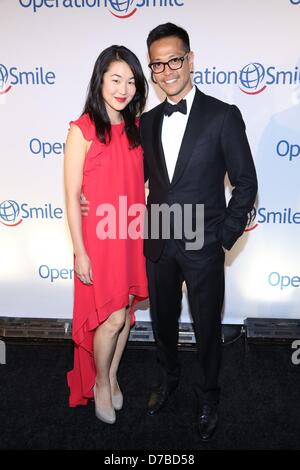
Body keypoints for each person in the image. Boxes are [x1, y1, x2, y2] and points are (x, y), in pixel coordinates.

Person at [140, 23, 258, 441]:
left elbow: (246, 184)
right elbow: (140, 180)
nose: (167, 70)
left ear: (190, 60)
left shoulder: (222, 115)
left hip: (203, 243)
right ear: (151, 70)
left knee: (208, 324)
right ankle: (168, 377)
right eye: (158, 64)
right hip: (158, 241)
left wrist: (222, 238)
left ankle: (210, 394)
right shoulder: (147, 121)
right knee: (162, 320)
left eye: (175, 59)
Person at [64, 45, 148, 424]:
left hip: (131, 232)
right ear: (100, 79)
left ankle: (113, 376)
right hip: (99, 241)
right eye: (116, 79)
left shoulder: (136, 128)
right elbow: (70, 195)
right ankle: (99, 383)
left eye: (131, 81)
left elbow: (140, 181)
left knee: (126, 314)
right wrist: (79, 251)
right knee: (111, 318)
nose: (123, 88)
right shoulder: (81, 129)